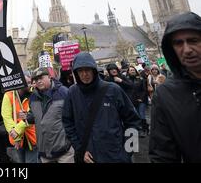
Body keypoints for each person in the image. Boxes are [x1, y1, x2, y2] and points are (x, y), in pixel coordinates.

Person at [62, 52, 141, 163]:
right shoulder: (72, 92)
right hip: (89, 157)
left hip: (116, 156)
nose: (84, 74)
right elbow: (67, 123)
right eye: (80, 71)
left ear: (94, 70)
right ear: (75, 73)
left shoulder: (113, 90)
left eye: (87, 70)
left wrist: (128, 152)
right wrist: (80, 149)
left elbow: (133, 120)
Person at [149, 12, 201, 162]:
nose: (186, 50)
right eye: (178, 43)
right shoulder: (165, 94)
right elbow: (162, 155)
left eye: (193, 40)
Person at [26, 67, 73, 163]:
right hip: (45, 152)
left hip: (64, 151)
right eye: (35, 79)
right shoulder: (33, 97)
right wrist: (27, 116)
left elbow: (74, 117)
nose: (38, 81)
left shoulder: (63, 92)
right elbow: (34, 117)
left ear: (49, 77)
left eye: (41, 78)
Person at [1, 76, 38, 163]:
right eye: (28, 83)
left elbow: (31, 117)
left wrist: (17, 131)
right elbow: (6, 117)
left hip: (32, 138)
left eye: (31, 82)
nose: (31, 85)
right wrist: (16, 137)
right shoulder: (9, 95)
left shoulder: (34, 94)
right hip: (17, 140)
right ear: (20, 84)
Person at [126, 65, 149, 137]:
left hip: (141, 100)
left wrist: (141, 98)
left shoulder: (141, 79)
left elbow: (144, 90)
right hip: (132, 100)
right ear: (128, 72)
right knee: (136, 115)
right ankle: (142, 128)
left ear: (135, 71)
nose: (132, 71)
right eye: (131, 70)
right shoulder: (127, 80)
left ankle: (143, 130)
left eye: (133, 70)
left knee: (141, 114)